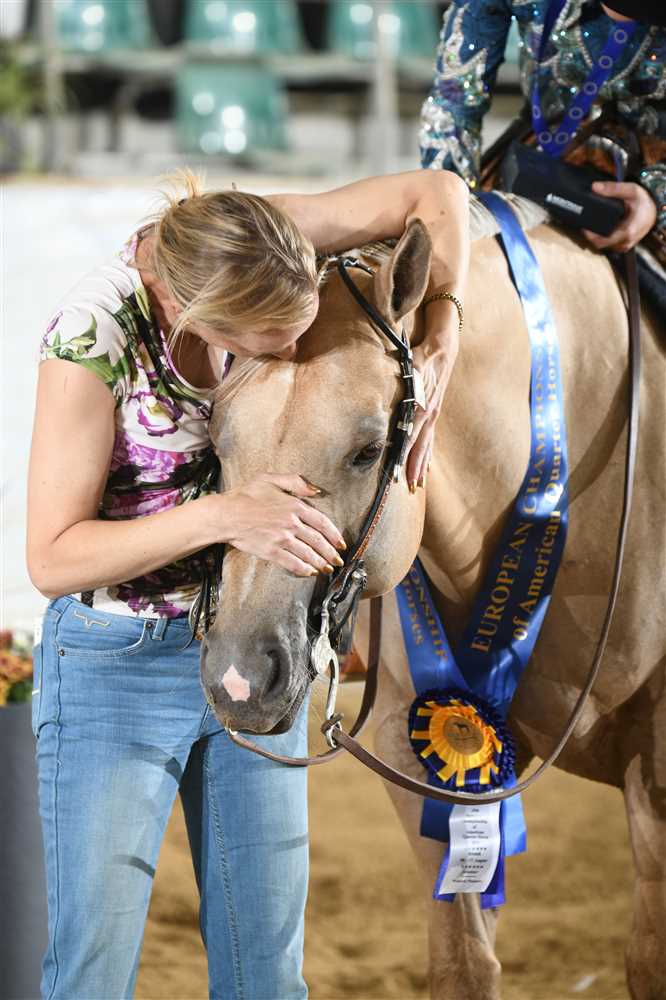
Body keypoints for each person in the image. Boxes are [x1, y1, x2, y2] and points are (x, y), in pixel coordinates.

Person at [26, 169, 470, 999]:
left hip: (249, 631)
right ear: (201, 314)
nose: (291, 354)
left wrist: (442, 329)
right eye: (274, 342)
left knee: (267, 975)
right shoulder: (93, 336)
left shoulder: (261, 239)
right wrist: (224, 516)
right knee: (92, 972)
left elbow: (440, 192)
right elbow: (50, 559)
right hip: (115, 667)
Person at [420, 0, 666, 265]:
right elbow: (454, 101)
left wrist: (657, 199)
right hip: (530, 165)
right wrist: (450, 205)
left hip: (649, 186)